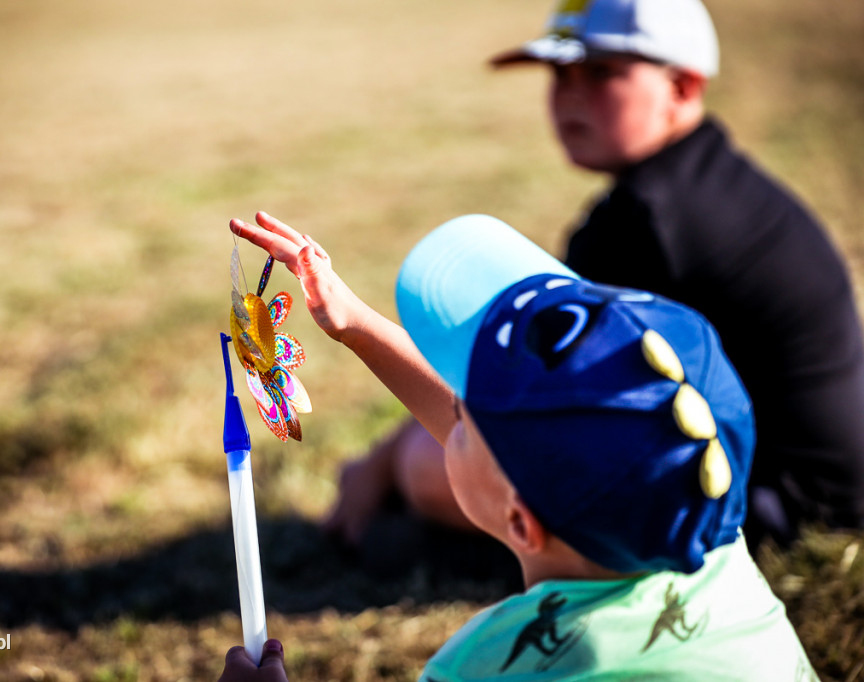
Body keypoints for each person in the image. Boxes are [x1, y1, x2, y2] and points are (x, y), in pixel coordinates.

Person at [324, 0, 864, 549]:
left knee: (426, 462)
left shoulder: (647, 223)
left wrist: (386, 462)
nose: (570, 96)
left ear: (683, 87)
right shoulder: (702, 184)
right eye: (560, 74)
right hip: (815, 486)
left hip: (773, 507)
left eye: (603, 73)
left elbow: (522, 387)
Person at [221, 213, 820, 680]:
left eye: (464, 412)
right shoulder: (718, 555)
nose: (452, 407)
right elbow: (501, 456)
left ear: (519, 521)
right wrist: (352, 322)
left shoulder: (491, 668)